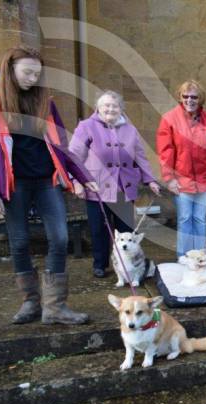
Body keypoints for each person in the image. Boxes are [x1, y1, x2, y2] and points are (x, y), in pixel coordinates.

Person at [0, 46, 98, 324]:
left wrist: (82, 176)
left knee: (60, 238)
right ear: (10, 70)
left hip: (47, 181)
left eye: (37, 74)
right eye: (27, 72)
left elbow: (62, 146)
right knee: (19, 242)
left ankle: (55, 307)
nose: (33, 78)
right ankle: (30, 303)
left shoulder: (46, 102)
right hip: (13, 184)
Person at [69, 90, 161, 278]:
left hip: (124, 188)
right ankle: (100, 264)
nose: (110, 109)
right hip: (97, 188)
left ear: (121, 109)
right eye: (106, 105)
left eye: (115, 105)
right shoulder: (86, 126)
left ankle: (128, 266)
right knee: (99, 230)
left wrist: (150, 179)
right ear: (98, 108)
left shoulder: (130, 130)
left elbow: (141, 157)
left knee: (126, 231)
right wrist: (75, 182)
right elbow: (73, 157)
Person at [157, 80, 206, 258]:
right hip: (182, 179)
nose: (189, 100)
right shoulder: (170, 119)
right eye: (185, 96)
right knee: (185, 219)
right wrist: (169, 178)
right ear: (180, 97)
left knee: (200, 219)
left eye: (194, 97)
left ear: (200, 99)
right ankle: (184, 256)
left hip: (204, 179)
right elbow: (166, 151)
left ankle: (200, 255)